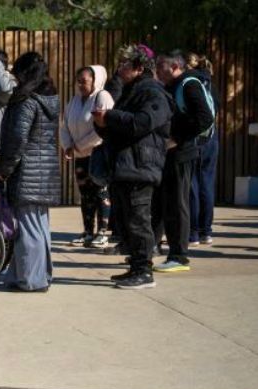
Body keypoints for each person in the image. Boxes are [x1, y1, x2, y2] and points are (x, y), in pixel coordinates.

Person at [92, 44, 173, 290]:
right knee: (129, 220)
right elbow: (118, 126)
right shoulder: (130, 91)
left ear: (139, 67)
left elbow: (143, 122)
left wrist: (110, 117)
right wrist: (101, 124)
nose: (120, 69)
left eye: (125, 64)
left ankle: (143, 272)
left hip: (141, 166)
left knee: (139, 220)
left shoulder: (153, 92)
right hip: (126, 166)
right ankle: (135, 266)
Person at [0, 51, 61, 293]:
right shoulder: (48, 98)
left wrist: (5, 170)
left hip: (27, 172)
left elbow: (18, 139)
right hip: (44, 173)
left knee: (29, 229)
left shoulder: (27, 101)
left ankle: (31, 280)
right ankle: (34, 275)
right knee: (39, 227)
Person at [151, 49, 215, 273]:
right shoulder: (171, 86)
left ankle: (179, 255)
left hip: (183, 152)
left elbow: (205, 118)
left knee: (178, 203)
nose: (158, 70)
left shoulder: (189, 85)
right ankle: (159, 248)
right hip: (170, 153)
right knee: (165, 202)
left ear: (176, 66)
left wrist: (177, 139)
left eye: (162, 66)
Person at [60, 64, 114, 248]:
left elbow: (103, 128)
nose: (81, 85)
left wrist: (79, 145)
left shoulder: (102, 97)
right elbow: (64, 124)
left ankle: (103, 232)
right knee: (86, 195)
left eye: (85, 81)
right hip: (80, 155)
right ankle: (88, 232)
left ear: (95, 80)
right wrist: (67, 145)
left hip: (98, 153)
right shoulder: (74, 100)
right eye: (79, 81)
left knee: (101, 192)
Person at [186, 53, 218, 245]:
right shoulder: (210, 85)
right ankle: (206, 230)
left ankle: (193, 232)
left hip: (195, 137)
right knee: (206, 183)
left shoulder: (190, 84)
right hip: (212, 138)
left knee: (192, 185)